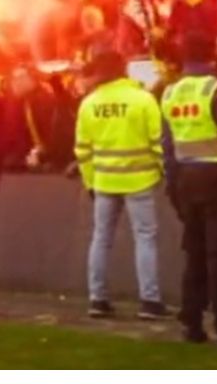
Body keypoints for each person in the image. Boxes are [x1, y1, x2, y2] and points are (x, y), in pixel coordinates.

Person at [74, 47, 170, 320]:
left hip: (104, 180)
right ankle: (150, 302)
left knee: (101, 239)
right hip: (141, 180)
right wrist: (166, 174)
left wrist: (91, 182)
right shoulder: (143, 100)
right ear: (124, 69)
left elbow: (82, 150)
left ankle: (97, 298)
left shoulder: (89, 103)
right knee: (145, 239)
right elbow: (159, 143)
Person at [160, 34, 217, 347]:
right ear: (211, 56)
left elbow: (167, 148)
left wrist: (172, 189)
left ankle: (192, 321)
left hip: (185, 179)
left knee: (195, 253)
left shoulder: (170, 92)